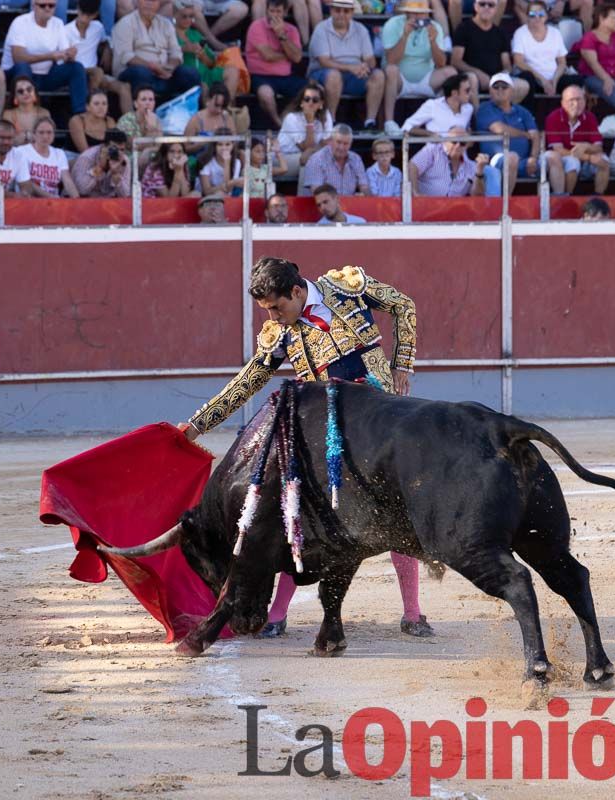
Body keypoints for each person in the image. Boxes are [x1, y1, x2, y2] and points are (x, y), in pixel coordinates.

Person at [182, 257, 433, 639]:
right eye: (268, 310)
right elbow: (248, 380)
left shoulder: (348, 288)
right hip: (325, 426)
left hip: (380, 414)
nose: (275, 317)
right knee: (294, 509)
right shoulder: (280, 333)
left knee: (398, 503)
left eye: (277, 307)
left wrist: (403, 364)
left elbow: (404, 305)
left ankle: (413, 613)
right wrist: (200, 423)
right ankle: (278, 612)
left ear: (297, 292)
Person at [381, 0, 456, 138]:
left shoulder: (435, 27)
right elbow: (391, 60)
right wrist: (404, 36)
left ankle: (447, 121)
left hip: (426, 78)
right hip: (400, 79)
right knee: (391, 69)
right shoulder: (393, 24)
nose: (418, 17)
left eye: (422, 13)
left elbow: (441, 63)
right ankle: (389, 122)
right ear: (407, 13)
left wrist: (433, 41)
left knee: (451, 73)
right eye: (415, 13)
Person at [1, 0, 89, 114]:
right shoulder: (20, 22)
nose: (47, 8)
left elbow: (63, 55)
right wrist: (49, 56)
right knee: (23, 66)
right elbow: (18, 58)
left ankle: (80, 115)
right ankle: (25, 113)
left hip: (46, 76)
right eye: (42, 5)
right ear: (33, 6)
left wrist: (69, 55)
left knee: (77, 68)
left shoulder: (58, 23)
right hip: (17, 75)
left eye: (51, 5)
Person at [309, 0, 385, 129]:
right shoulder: (321, 28)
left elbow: (370, 60)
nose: (341, 15)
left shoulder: (361, 29)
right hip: (323, 74)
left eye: (346, 11)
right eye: (337, 10)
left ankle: (370, 122)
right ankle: (330, 121)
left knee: (378, 75)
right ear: (331, 10)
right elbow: (324, 61)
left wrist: (364, 66)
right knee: (334, 75)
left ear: (352, 13)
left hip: (354, 76)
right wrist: (351, 67)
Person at [452, 0, 529, 105]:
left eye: (491, 5)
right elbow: (456, 61)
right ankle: (478, 117)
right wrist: (477, 73)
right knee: (472, 78)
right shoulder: (463, 28)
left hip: (495, 79)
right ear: (475, 6)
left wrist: (501, 75)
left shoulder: (501, 32)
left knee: (523, 85)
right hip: (473, 77)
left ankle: (496, 111)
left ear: (496, 9)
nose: (486, 7)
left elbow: (507, 64)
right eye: (482, 4)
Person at [475, 71, 539, 195]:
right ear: (490, 91)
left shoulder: (522, 111)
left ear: (512, 91)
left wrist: (533, 158)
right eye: (496, 87)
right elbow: (499, 128)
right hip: (494, 161)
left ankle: (559, 202)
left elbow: (535, 136)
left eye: (504, 87)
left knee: (553, 158)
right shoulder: (484, 108)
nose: (500, 90)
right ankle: (505, 203)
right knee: (512, 157)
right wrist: (524, 135)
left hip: (525, 161)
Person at [66, 0, 133, 117]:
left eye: (89, 15)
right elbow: (61, 61)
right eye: (82, 13)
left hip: (95, 75)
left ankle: (132, 132)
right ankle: (91, 115)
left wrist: (107, 48)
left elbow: (106, 40)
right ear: (78, 9)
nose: (84, 18)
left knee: (124, 88)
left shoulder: (98, 27)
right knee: (97, 71)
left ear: (95, 14)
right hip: (75, 74)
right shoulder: (65, 30)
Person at [245, 0, 305, 128]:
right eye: (272, 11)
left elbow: (298, 58)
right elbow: (268, 55)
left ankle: (285, 116)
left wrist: (281, 35)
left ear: (285, 12)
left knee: (311, 91)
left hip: (285, 76)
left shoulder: (292, 30)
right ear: (267, 10)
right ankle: (278, 123)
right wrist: (288, 55)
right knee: (266, 94)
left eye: (278, 11)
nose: (274, 15)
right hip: (260, 75)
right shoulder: (256, 26)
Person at [542, 83, 608, 195]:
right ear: (563, 103)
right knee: (573, 162)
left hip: (584, 157)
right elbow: (558, 150)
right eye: (571, 100)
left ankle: (598, 197)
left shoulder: (590, 117)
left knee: (604, 160)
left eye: (579, 100)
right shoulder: (553, 118)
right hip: (562, 158)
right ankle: (568, 196)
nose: (576, 104)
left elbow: (598, 147)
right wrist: (588, 157)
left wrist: (587, 146)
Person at [174, 0, 241, 99]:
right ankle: (209, 112)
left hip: (206, 74)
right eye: (184, 16)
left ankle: (226, 107)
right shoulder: (169, 33)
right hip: (186, 77)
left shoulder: (196, 34)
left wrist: (203, 56)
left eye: (191, 17)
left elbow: (212, 64)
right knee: (204, 87)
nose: (188, 20)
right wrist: (182, 49)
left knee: (232, 70)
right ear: (175, 15)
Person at [576, 3, 615, 112]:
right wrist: (606, 79)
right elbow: (593, 64)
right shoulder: (589, 38)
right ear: (602, 19)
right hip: (594, 77)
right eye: (614, 18)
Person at [407, 126, 489, 196]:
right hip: (426, 207)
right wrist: (415, 193)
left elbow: (477, 195)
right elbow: (412, 166)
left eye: (463, 143)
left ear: (467, 145)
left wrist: (479, 172)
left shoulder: (471, 166)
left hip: (454, 211)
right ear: (445, 141)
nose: (457, 146)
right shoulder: (432, 151)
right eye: (454, 141)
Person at [512, 0, 568, 98]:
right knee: (526, 78)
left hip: (553, 77)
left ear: (546, 16)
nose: (537, 17)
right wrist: (542, 80)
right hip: (533, 77)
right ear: (527, 17)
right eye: (532, 14)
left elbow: (562, 63)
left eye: (541, 14)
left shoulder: (555, 33)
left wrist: (554, 80)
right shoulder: (520, 33)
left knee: (576, 81)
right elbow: (519, 62)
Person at [276, 81, 332, 178]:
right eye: (307, 99)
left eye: (315, 100)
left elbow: (327, 143)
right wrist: (310, 123)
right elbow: (306, 147)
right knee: (311, 159)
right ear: (302, 102)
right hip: (283, 159)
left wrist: (312, 151)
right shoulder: (292, 118)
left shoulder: (326, 115)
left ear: (321, 103)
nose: (310, 103)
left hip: (308, 155)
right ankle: (305, 194)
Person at [13, 116, 78, 197]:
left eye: (49, 132)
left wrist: (77, 200)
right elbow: (27, 182)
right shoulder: (22, 151)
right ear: (34, 134)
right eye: (41, 132)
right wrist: (51, 198)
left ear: (54, 134)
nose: (45, 136)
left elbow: (67, 181)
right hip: (30, 201)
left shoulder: (59, 153)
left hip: (53, 203)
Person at [299, 122, 368, 196]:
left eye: (345, 144)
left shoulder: (356, 159)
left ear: (350, 144)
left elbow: (364, 187)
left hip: (349, 205)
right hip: (322, 205)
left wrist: (363, 194)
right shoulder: (317, 159)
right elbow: (317, 193)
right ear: (330, 141)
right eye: (338, 142)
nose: (341, 147)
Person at [401, 72, 473, 136]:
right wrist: (431, 134)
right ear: (454, 93)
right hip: (435, 150)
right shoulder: (432, 105)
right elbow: (407, 127)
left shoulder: (469, 109)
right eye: (467, 91)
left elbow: (468, 132)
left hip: (460, 151)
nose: (470, 93)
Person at [70, 128, 130, 196]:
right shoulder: (87, 157)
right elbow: (82, 190)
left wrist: (116, 175)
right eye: (114, 149)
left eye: (122, 150)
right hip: (84, 201)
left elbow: (125, 195)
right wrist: (100, 167)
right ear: (104, 146)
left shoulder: (124, 161)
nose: (118, 153)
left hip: (109, 202)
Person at [1, 75, 52, 145]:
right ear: (15, 96)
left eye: (29, 89)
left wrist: (25, 137)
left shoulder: (44, 113)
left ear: (34, 92)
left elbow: (47, 138)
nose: (25, 93)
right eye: (20, 91)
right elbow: (7, 140)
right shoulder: (8, 114)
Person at [196, 126, 244, 194]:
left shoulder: (237, 162)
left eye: (227, 144)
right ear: (214, 146)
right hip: (204, 197)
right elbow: (206, 191)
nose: (224, 148)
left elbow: (228, 191)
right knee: (220, 193)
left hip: (224, 197)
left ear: (232, 145)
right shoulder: (207, 161)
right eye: (220, 144)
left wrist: (227, 164)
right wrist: (232, 182)